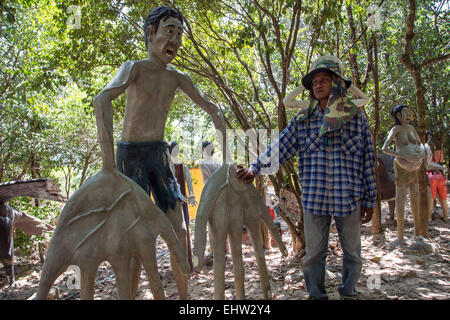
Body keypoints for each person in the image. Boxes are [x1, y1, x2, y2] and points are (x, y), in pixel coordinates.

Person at [93, 6, 226, 299]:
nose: (176, 40)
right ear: (151, 33)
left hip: (158, 154)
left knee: (178, 229)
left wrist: (227, 154)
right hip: (130, 157)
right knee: (136, 236)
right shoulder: (134, 68)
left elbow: (213, 107)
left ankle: (184, 299)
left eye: (180, 34)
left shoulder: (176, 77)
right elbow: (102, 99)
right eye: (169, 31)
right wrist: (107, 165)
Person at [237, 55, 376, 300]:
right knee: (313, 255)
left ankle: (348, 293)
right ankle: (316, 295)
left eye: (324, 80)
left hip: (350, 198)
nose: (317, 85)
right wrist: (254, 168)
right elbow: (279, 148)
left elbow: (367, 160)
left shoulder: (356, 119)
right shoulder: (303, 121)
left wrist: (370, 199)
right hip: (315, 199)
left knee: (353, 253)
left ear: (338, 84)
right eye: (315, 81)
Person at [382, 104, 425, 245]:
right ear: (398, 116)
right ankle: (400, 236)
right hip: (401, 167)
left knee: (415, 198)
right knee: (401, 199)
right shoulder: (396, 129)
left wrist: (421, 152)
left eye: (409, 112)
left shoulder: (412, 128)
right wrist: (401, 155)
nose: (408, 115)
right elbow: (385, 148)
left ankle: (417, 233)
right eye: (405, 112)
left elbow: (420, 144)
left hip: (415, 168)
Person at [168, 141, 197, 270]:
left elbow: (189, 184)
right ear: (168, 151)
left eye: (177, 150)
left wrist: (191, 196)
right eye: (173, 150)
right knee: (171, 234)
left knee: (184, 233)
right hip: (169, 204)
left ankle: (187, 264)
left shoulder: (182, 167)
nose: (176, 152)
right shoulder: (164, 168)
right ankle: (175, 267)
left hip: (182, 204)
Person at [424, 131, 448, 221]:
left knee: (431, 197)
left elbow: (427, 164)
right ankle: (445, 216)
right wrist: (441, 168)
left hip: (429, 176)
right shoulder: (428, 147)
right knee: (443, 198)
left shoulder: (423, 147)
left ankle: (429, 217)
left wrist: (440, 167)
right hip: (439, 176)